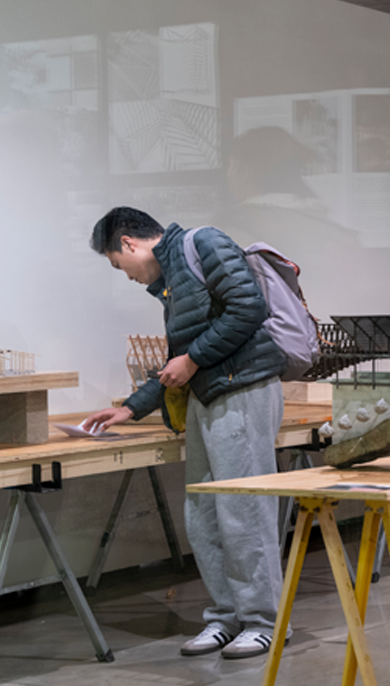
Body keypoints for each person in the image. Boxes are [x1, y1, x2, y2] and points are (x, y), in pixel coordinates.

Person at [82, 207, 288, 660]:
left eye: (119, 265)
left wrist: (193, 360)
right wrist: (131, 409)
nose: (127, 276)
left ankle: (264, 621)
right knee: (203, 513)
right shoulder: (172, 280)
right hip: (207, 396)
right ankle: (226, 618)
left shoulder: (203, 243)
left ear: (130, 243)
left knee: (244, 511)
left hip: (243, 389)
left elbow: (249, 307)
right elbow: (177, 363)